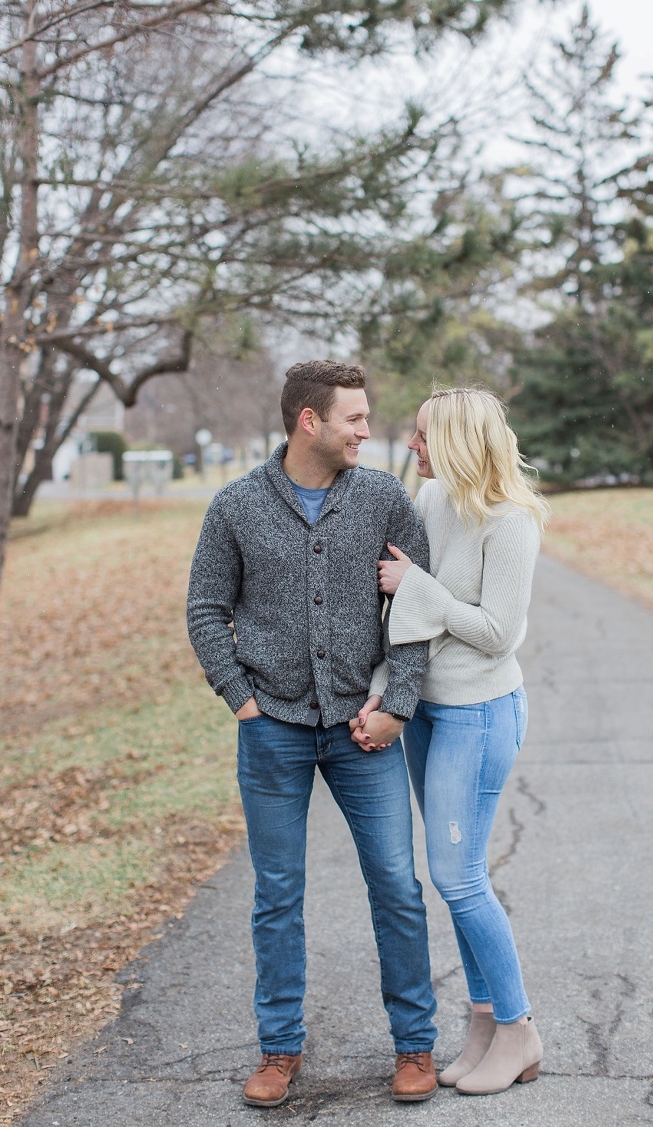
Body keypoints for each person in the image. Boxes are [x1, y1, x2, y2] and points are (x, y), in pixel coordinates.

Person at [187, 361, 438, 1108]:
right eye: (354, 419)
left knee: (395, 883)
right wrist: (240, 699)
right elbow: (205, 609)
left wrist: (398, 701)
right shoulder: (235, 507)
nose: (366, 430)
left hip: (365, 731)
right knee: (277, 892)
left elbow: (415, 609)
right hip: (274, 730)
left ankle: (416, 1046)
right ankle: (278, 1049)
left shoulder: (385, 498)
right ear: (310, 422)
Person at [352, 386, 548, 1097]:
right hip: (426, 712)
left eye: (425, 435)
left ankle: (520, 1028)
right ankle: (485, 1025)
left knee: (459, 878)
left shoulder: (512, 521)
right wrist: (383, 687)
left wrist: (418, 585)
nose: (412, 445)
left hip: (481, 712)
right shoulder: (431, 503)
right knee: (458, 877)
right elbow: (403, 616)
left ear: (461, 441)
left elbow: (497, 632)